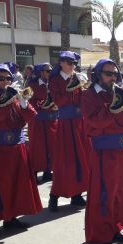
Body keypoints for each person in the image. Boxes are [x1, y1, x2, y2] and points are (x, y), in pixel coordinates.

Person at [81, 59, 123, 244]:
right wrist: (114, 108)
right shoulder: (89, 95)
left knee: (120, 193)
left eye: (115, 74)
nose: (113, 77)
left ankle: (115, 228)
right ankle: (102, 235)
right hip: (103, 152)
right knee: (104, 194)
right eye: (108, 74)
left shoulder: (119, 92)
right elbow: (96, 122)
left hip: (122, 149)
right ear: (98, 75)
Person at [0, 63, 43, 239]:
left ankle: (11, 218)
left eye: (8, 78)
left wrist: (24, 104)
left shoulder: (14, 95)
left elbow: (31, 117)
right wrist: (5, 101)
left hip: (17, 146)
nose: (6, 81)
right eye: (1, 78)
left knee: (17, 184)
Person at [47, 51, 90, 211]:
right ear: (62, 63)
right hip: (65, 124)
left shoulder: (77, 78)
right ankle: (54, 196)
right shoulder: (55, 80)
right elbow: (59, 101)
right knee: (64, 162)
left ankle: (77, 194)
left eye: (74, 63)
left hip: (79, 123)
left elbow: (82, 99)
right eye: (70, 63)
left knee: (82, 159)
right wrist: (71, 88)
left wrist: (86, 90)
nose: (73, 66)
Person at [27, 63, 58, 183]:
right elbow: (30, 102)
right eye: (48, 71)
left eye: (51, 70)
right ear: (41, 72)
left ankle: (47, 172)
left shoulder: (52, 84)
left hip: (51, 120)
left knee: (52, 146)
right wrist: (46, 105)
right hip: (38, 121)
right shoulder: (33, 85)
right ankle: (33, 173)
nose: (50, 73)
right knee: (37, 147)